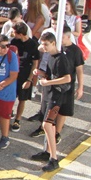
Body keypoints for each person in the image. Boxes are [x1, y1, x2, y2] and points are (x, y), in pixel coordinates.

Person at [34, 33, 72, 172]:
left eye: (46, 44)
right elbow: (52, 74)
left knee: (47, 124)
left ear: (53, 43)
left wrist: (47, 82)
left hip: (57, 95)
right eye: (43, 44)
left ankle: (54, 158)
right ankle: (48, 152)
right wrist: (41, 73)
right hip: (49, 93)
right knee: (50, 124)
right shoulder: (49, 56)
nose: (43, 47)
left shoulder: (61, 59)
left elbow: (67, 78)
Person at [9, 23, 40, 133]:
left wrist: (29, 79)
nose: (13, 34)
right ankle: (8, 114)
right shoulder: (13, 42)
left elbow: (35, 64)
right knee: (11, 96)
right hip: (14, 73)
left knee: (22, 99)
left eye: (14, 32)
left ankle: (17, 120)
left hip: (25, 74)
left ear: (21, 34)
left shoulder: (33, 44)